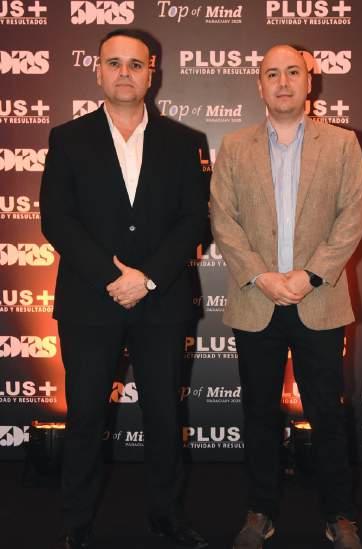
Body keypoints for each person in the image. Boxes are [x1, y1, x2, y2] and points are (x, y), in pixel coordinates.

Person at [40, 28, 208, 549]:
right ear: (98, 72)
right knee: (86, 416)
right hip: (90, 303)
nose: (124, 73)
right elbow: (57, 219)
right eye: (113, 63)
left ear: (151, 73)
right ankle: (76, 522)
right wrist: (112, 277)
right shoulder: (68, 138)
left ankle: (167, 517)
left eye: (135, 64)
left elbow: (194, 221)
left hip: (162, 302)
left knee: (164, 415)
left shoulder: (185, 142)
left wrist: (147, 277)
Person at [210, 45, 362, 549]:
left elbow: (352, 217)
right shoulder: (235, 146)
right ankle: (260, 512)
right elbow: (223, 220)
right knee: (258, 413)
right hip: (256, 302)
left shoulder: (342, 143)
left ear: (309, 81)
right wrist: (261, 276)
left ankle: (340, 515)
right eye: (272, 74)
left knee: (327, 413)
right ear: (259, 84)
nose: (282, 82)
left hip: (319, 301)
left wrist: (310, 275)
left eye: (292, 72)